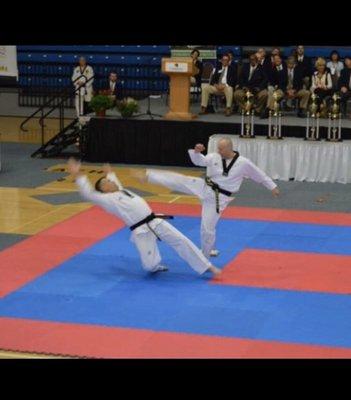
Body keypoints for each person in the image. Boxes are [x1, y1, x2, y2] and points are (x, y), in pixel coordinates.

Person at [67, 158, 221, 277]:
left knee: (181, 240)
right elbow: (88, 193)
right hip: (141, 230)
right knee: (149, 266)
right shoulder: (107, 200)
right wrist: (78, 174)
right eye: (107, 182)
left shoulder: (121, 191)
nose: (110, 182)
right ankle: (155, 266)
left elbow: (116, 182)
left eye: (109, 180)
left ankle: (206, 265)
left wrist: (109, 172)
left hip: (155, 220)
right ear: (103, 190)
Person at [138, 139, 279, 259]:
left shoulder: (243, 163)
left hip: (218, 198)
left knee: (207, 228)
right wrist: (197, 152)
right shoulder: (214, 156)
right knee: (180, 180)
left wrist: (272, 186)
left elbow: (259, 174)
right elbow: (200, 161)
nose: (219, 151)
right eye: (218, 148)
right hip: (205, 186)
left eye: (221, 149)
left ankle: (205, 255)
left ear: (230, 149)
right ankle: (149, 176)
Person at [234, 53, 268, 118]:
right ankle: (246, 109)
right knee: (236, 94)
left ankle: (257, 110)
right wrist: (243, 86)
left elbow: (265, 80)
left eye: (254, 59)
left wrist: (260, 88)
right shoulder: (245, 66)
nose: (252, 61)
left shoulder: (261, 67)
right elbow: (240, 78)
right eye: (251, 60)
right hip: (245, 88)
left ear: (257, 60)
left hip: (256, 88)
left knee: (265, 94)